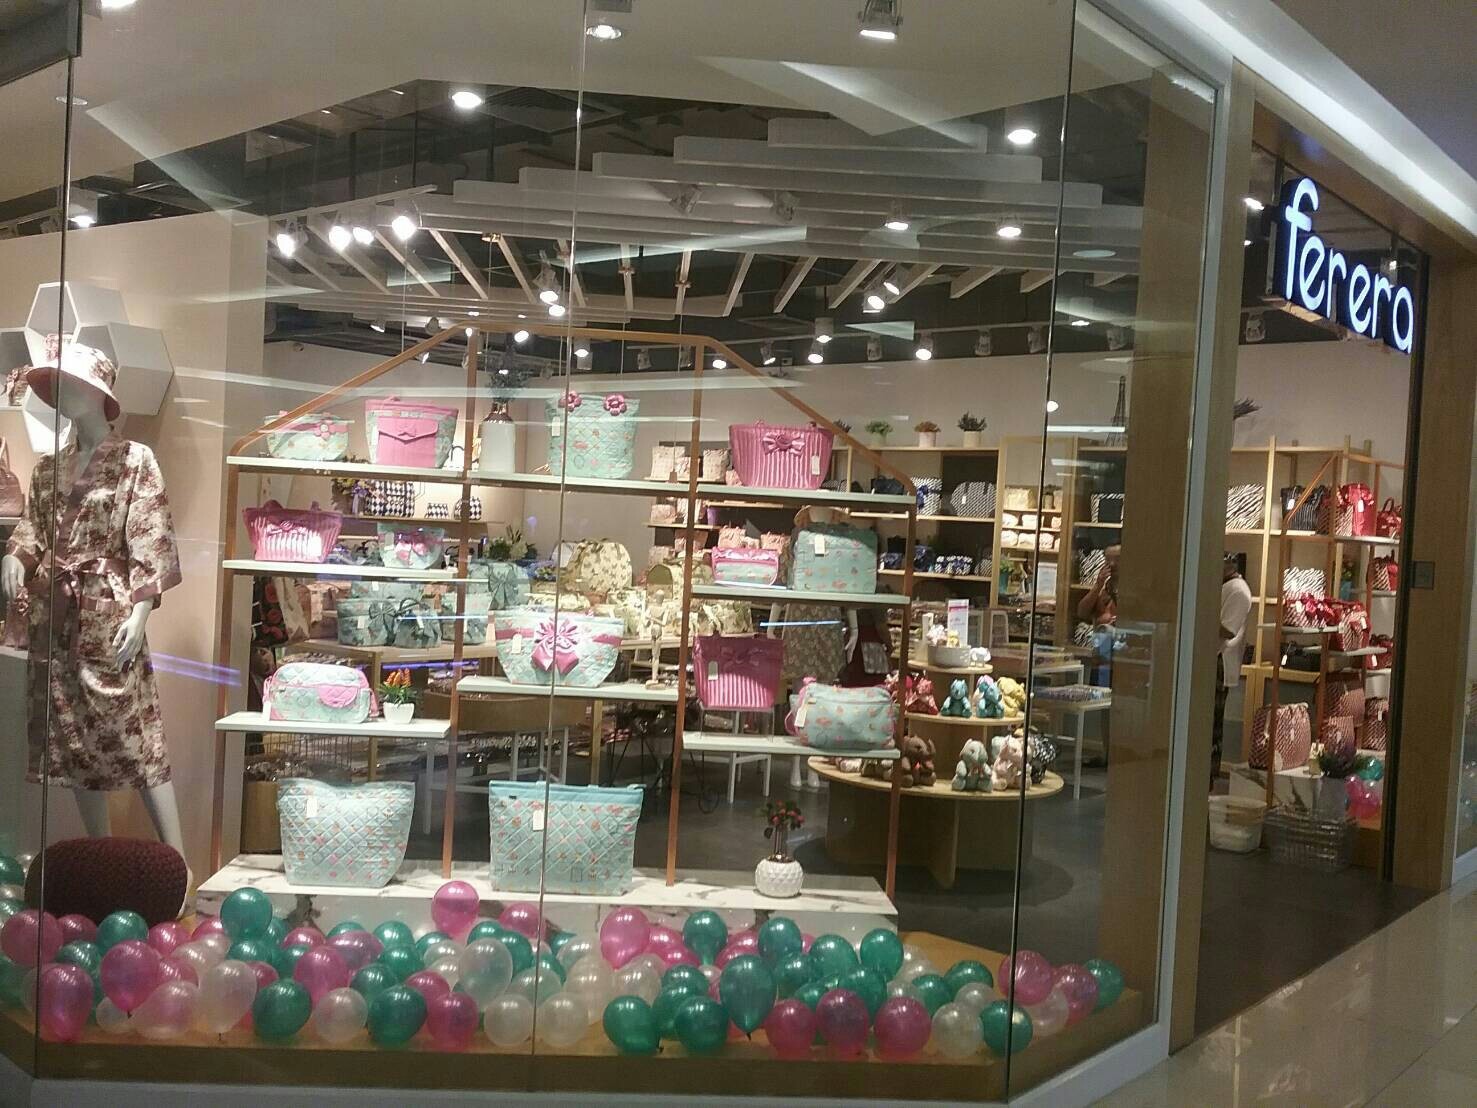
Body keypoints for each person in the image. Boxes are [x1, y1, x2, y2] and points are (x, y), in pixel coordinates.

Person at [1215, 552, 1254, 787]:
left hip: (1219, 661)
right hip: (1211, 658)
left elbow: (1228, 630)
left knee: (1211, 726)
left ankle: (1207, 779)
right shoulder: (1224, 586)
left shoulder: (1238, 590)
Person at [1076, 544, 1119, 684]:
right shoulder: (1101, 591)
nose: (1112, 564)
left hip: (1120, 661)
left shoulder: (1132, 592)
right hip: (1099, 661)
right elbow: (1081, 612)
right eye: (1108, 560)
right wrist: (1098, 585)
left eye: (1117, 560)